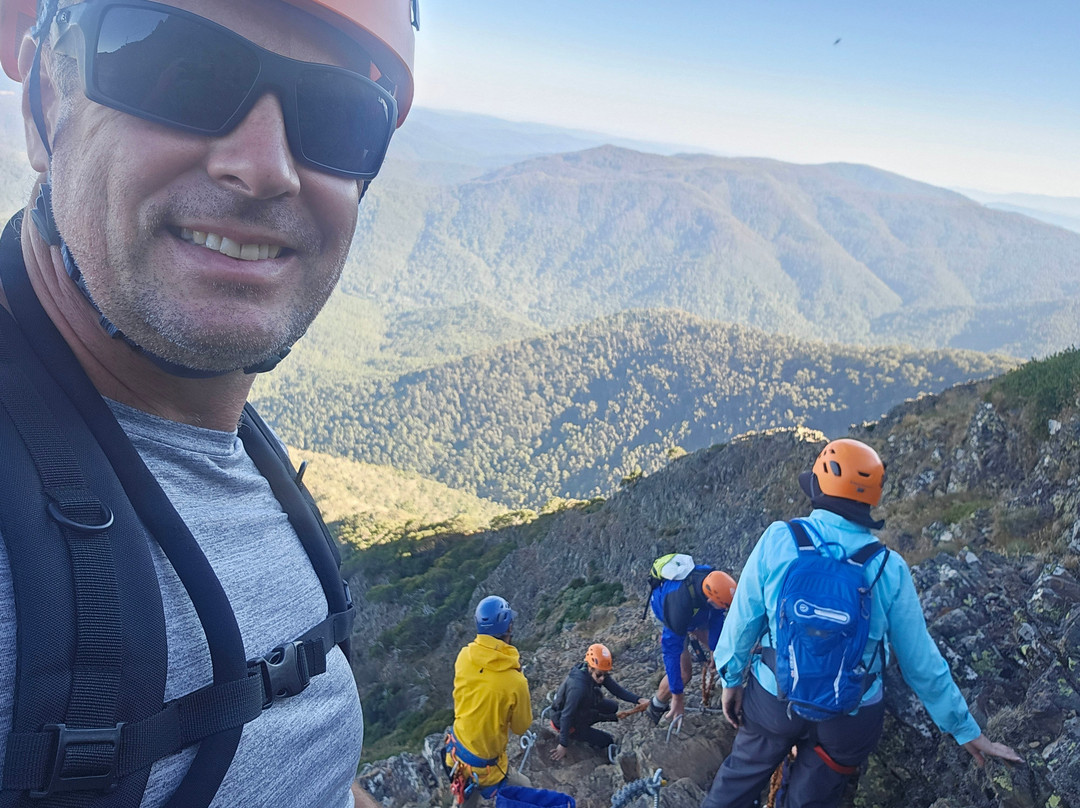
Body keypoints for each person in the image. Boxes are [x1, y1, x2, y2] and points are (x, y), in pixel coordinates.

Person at [0, 0, 416, 805]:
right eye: (184, 73)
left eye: (336, 116)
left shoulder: (237, 452)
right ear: (46, 109)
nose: (267, 167)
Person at [703, 439, 1022, 808]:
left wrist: (731, 681)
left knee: (734, 787)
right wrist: (965, 730)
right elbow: (922, 665)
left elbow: (743, 622)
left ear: (819, 488)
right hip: (848, 719)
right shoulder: (888, 566)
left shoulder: (780, 539)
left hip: (776, 704)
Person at [447, 595, 533, 806]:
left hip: (457, 754)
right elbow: (522, 728)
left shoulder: (464, 656)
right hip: (487, 770)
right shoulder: (515, 682)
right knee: (526, 789)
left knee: (464, 800)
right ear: (509, 628)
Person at [646, 557, 736, 723]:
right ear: (709, 600)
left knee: (724, 651)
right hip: (668, 615)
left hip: (696, 612)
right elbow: (671, 653)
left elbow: (717, 616)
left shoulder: (711, 580)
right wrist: (678, 697)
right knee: (684, 673)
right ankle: (656, 706)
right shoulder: (677, 606)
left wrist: (714, 649)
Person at [549, 643, 648, 760]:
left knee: (612, 706)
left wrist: (638, 700)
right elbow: (567, 715)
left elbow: (617, 690)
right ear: (590, 667)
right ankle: (583, 738)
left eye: (605, 675)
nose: (602, 679)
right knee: (608, 740)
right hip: (567, 722)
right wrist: (563, 744)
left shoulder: (593, 671)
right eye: (599, 675)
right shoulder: (578, 688)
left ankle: (587, 730)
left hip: (582, 707)